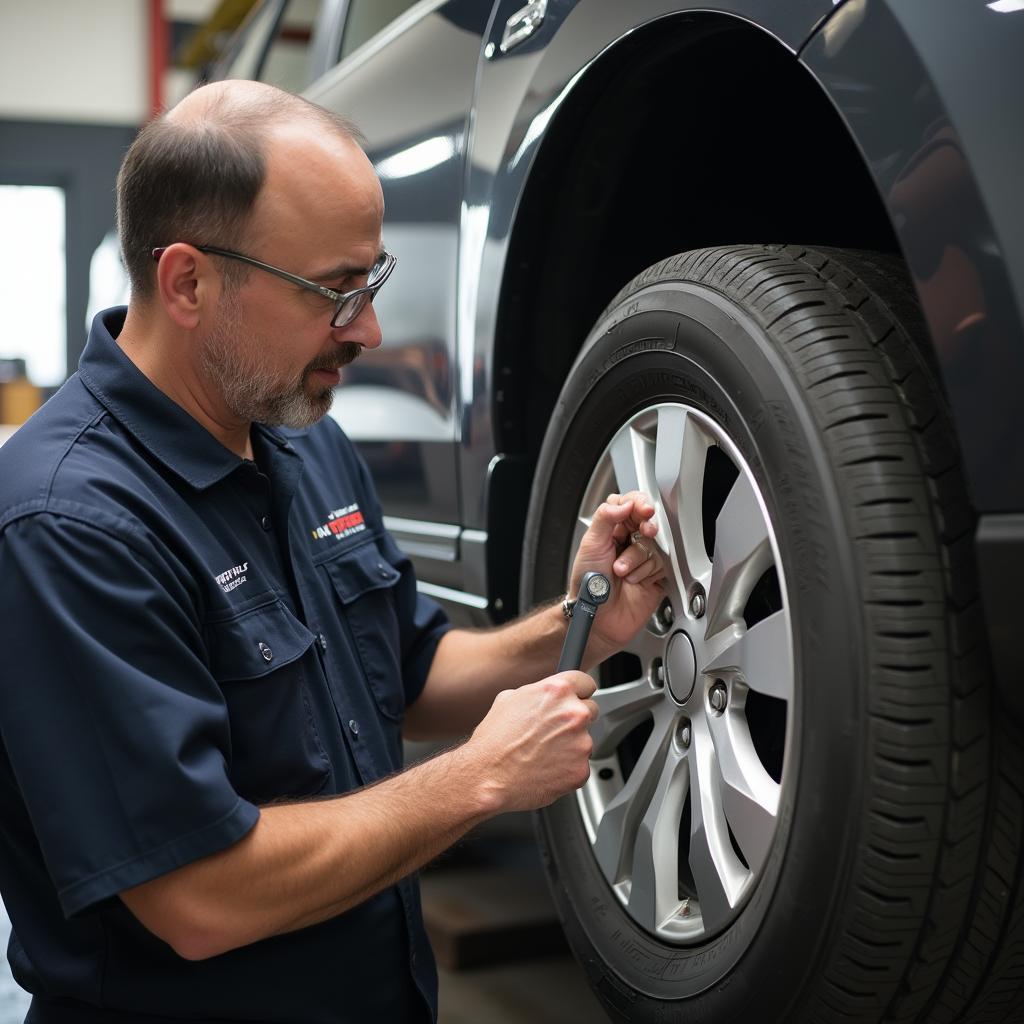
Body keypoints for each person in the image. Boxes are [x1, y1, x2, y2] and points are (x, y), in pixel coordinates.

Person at [0, 81, 665, 1024]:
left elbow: (413, 671)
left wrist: (585, 620)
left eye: (374, 280)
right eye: (334, 292)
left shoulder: (302, 438)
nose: (369, 329)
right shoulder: (67, 524)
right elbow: (198, 896)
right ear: (188, 282)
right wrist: (478, 777)